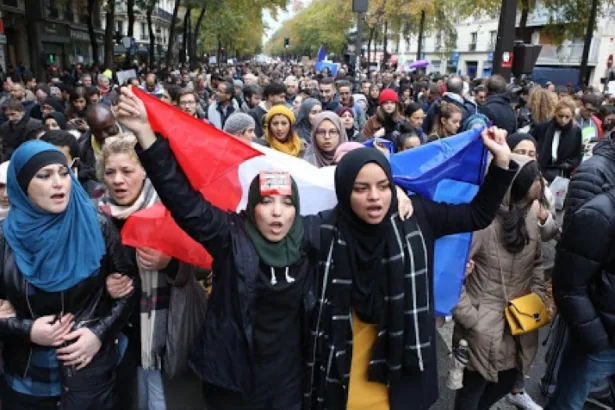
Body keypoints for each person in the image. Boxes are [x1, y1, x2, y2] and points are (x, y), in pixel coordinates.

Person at [114, 86, 413, 410]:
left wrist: (394, 195)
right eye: (267, 202)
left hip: (288, 382)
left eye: (286, 203)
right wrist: (145, 133)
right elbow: (182, 200)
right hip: (231, 380)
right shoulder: (230, 236)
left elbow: (358, 209)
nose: (276, 213)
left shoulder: (312, 234)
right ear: (252, 206)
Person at [306, 127, 516, 410]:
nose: (374, 196)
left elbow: (476, 214)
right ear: (344, 191)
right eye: (361, 188)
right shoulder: (322, 230)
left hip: (401, 374)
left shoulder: (415, 217)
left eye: (383, 186)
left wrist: (501, 160)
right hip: (340, 374)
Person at [0, 139, 137, 409]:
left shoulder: (97, 226)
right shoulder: (4, 239)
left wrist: (98, 333)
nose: (59, 183)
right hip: (27, 379)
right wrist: (27, 330)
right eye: (44, 176)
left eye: (64, 173)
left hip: (89, 373)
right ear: (22, 184)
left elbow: (129, 290)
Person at [453, 155, 546, 410]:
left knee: (506, 382)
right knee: (471, 392)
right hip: (483, 326)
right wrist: (471, 317)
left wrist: (538, 297)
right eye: (536, 177)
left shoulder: (529, 218)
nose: (541, 181)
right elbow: (452, 273)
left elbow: (538, 262)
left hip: (519, 322)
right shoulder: (483, 222)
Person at [545, 185, 615, 409]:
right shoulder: (597, 215)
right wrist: (596, 340)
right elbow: (569, 286)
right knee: (568, 403)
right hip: (600, 343)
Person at [530, 97, 582, 183]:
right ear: (555, 113)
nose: (563, 120)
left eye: (567, 117)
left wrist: (568, 165)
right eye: (560, 116)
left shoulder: (576, 131)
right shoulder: (543, 127)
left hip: (561, 172)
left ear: (572, 116)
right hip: (541, 169)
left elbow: (577, 154)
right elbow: (531, 141)